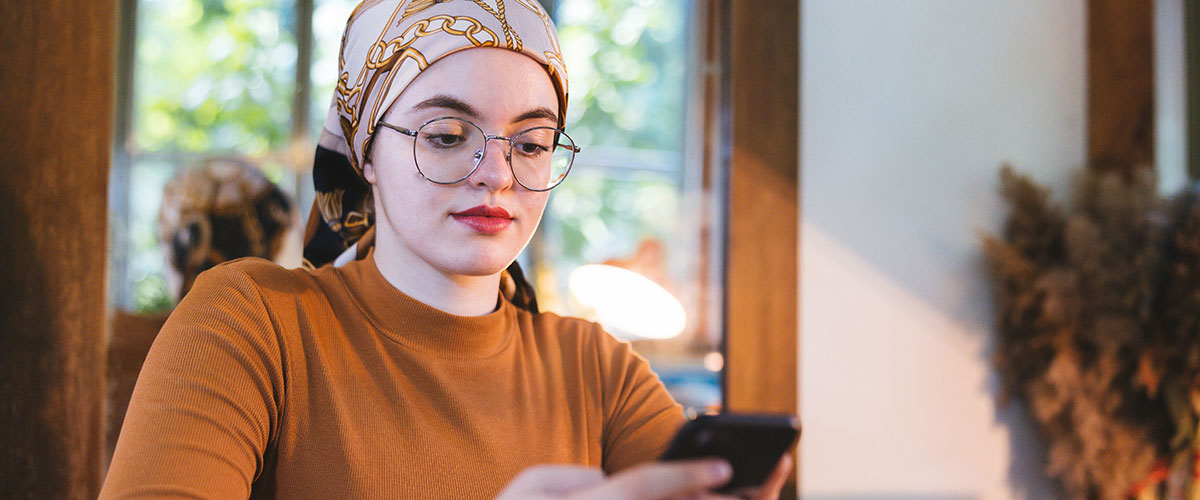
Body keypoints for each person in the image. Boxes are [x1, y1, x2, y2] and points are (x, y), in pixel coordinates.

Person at [99, 1, 789, 499]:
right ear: (366, 151)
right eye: (447, 134)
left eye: (531, 143)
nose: (496, 172)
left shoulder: (598, 371)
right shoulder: (254, 321)